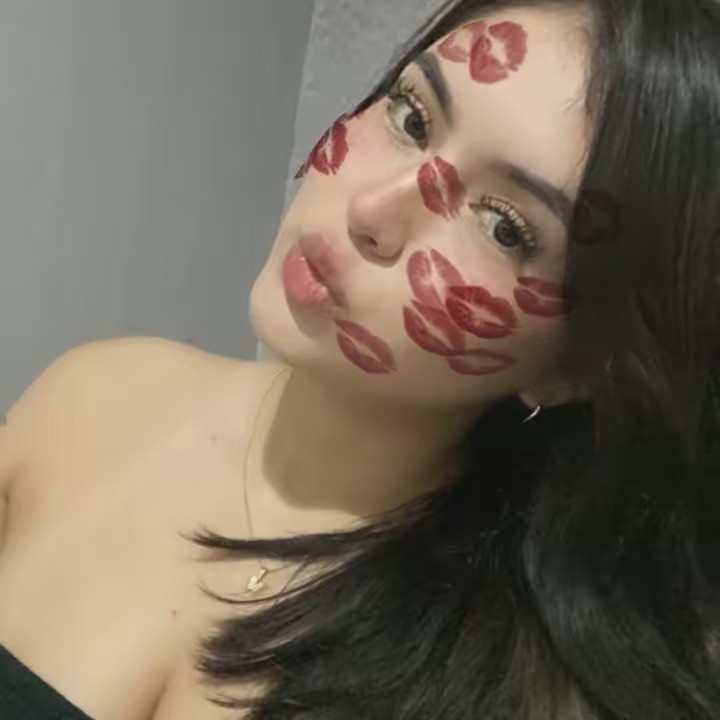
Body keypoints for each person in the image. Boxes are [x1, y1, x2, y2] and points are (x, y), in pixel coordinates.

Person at [1, 0, 719, 717]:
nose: (371, 210)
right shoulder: (95, 396)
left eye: (504, 226)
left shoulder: (515, 689)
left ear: (576, 366)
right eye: (411, 117)